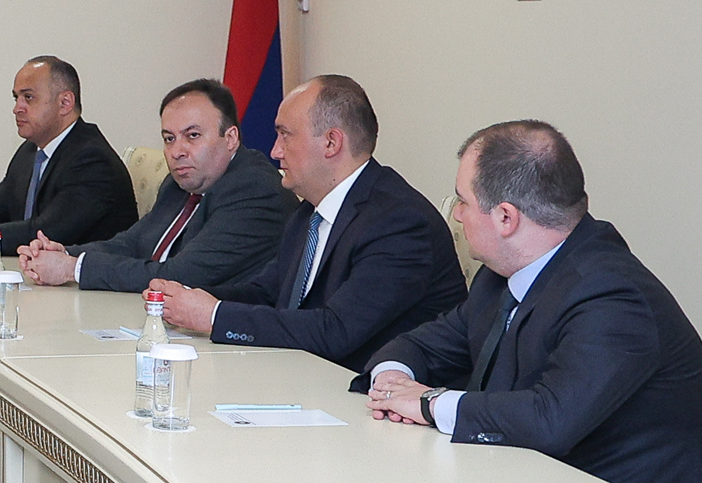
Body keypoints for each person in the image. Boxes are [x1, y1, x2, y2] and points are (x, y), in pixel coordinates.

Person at [361, 120, 702, 483]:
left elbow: (550, 417)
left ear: (506, 217)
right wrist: (393, 379)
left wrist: (428, 403)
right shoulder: (506, 274)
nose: (457, 215)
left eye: (463, 202)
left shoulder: (610, 295)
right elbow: (429, 342)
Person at [149, 75, 466, 367]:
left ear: (331, 143)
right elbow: (267, 294)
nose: (275, 151)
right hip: (309, 377)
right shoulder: (309, 212)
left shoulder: (399, 222)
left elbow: (336, 331)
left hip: (375, 393)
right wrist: (187, 298)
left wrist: (215, 316)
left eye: (285, 136)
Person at [21, 78, 288, 294]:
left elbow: (180, 276)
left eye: (193, 136)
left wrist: (73, 268)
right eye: (169, 138)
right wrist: (64, 252)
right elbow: (134, 242)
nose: (177, 151)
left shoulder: (254, 190)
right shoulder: (179, 183)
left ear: (230, 138)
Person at [0, 55, 131, 256]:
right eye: (16, 97)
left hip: (88, 282)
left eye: (28, 97)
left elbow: (45, 233)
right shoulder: (31, 150)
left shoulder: (92, 160)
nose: (17, 108)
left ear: (65, 103)